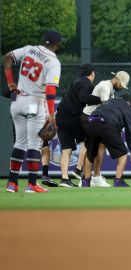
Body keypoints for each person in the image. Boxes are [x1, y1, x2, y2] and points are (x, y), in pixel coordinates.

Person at [4, 30, 62, 193]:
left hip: (17, 100)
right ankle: (32, 184)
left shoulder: (29, 49)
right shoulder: (53, 61)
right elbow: (50, 90)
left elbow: (8, 57)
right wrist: (51, 114)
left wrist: (10, 82)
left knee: (19, 143)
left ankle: (12, 183)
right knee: (35, 144)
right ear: (57, 45)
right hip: (35, 102)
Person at [81, 70, 130, 187]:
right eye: (121, 84)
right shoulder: (105, 86)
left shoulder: (110, 88)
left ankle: (93, 177)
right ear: (117, 79)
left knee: (98, 148)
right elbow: (106, 106)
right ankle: (89, 176)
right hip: (90, 118)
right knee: (91, 149)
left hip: (96, 119)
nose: (121, 88)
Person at [56, 64, 101, 187]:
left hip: (61, 116)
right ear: (92, 73)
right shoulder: (86, 83)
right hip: (73, 118)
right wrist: (100, 99)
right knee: (89, 141)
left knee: (66, 149)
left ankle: (64, 179)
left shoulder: (75, 81)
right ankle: (83, 174)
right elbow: (83, 98)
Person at [82, 95, 131, 187]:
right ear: (129, 103)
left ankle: (86, 181)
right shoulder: (127, 107)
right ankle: (118, 180)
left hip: (91, 121)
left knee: (90, 152)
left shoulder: (109, 102)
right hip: (107, 123)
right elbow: (130, 132)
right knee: (123, 153)